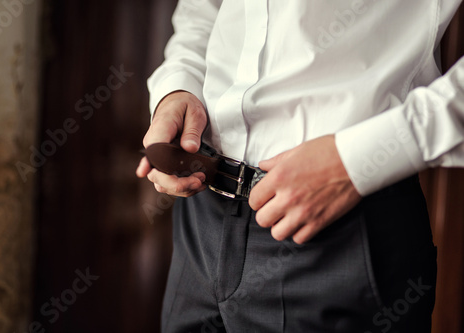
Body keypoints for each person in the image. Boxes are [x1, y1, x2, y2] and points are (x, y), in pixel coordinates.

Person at [136, 1, 464, 332]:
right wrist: (178, 86)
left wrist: (355, 162)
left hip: (338, 231)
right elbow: (203, 10)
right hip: (200, 219)